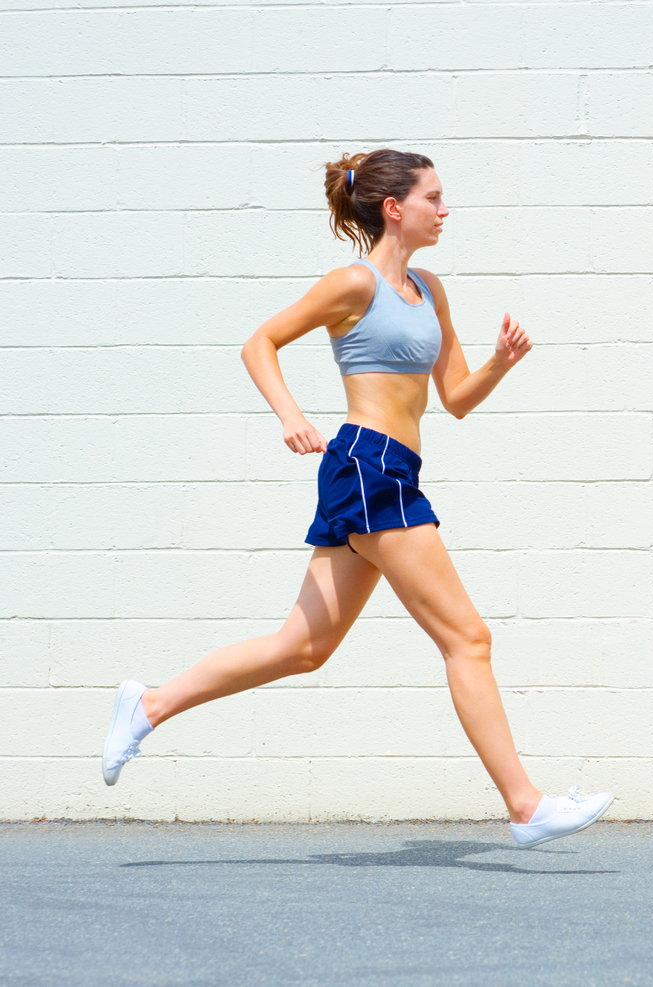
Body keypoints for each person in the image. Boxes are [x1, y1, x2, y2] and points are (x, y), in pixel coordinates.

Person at [100, 149, 612, 849]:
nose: (445, 209)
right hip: (369, 467)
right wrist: (290, 415)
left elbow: (454, 398)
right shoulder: (354, 284)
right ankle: (525, 804)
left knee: (302, 647)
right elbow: (261, 343)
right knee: (468, 637)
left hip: (388, 469)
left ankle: (150, 703)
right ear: (395, 208)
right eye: (434, 197)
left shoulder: (430, 289)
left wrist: (498, 361)